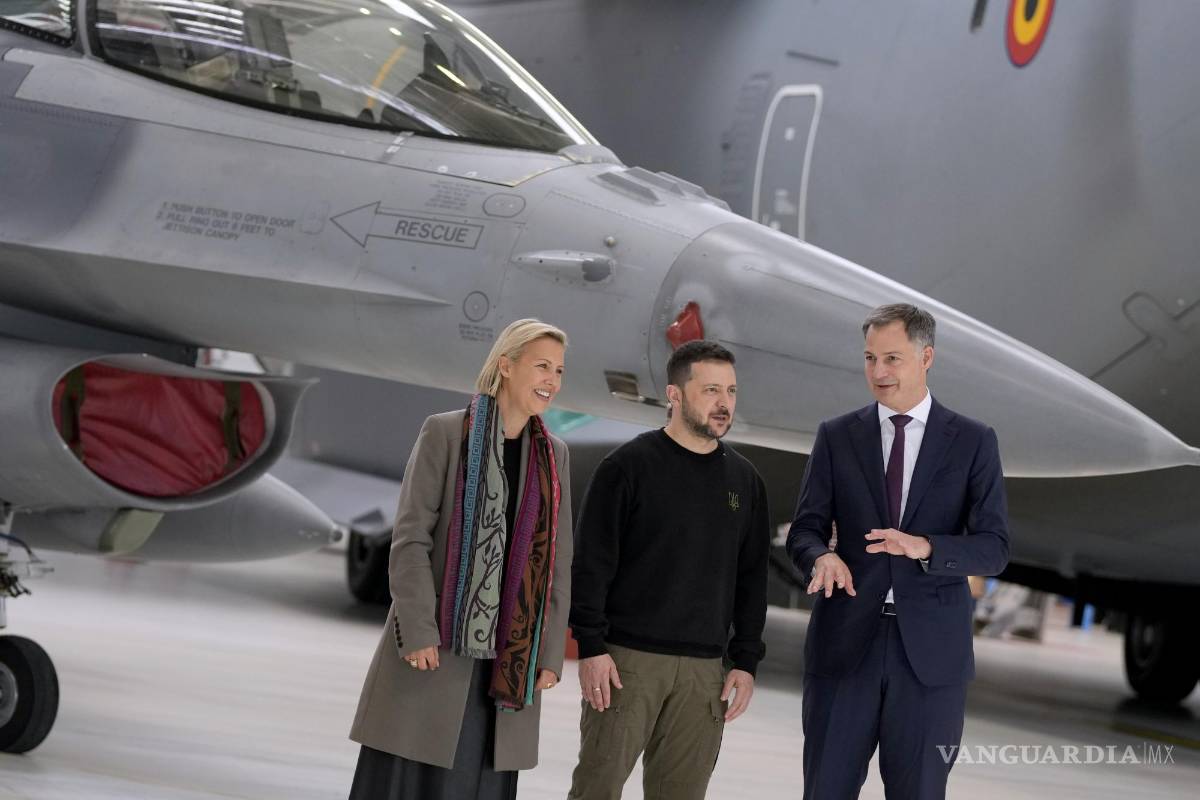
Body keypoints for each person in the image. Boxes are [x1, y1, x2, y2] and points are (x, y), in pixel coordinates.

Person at [787, 303, 1010, 799]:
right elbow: (804, 530)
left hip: (931, 659)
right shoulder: (836, 436)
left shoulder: (973, 441)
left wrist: (926, 547)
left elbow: (993, 549)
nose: (879, 372)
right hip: (845, 646)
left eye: (892, 358)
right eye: (870, 358)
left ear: (926, 357)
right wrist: (820, 556)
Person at [348, 318, 573, 800]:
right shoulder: (446, 433)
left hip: (509, 662)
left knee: (479, 781)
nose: (552, 380)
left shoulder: (554, 457)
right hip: (437, 647)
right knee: (409, 780)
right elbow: (411, 539)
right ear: (506, 366)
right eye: (541, 366)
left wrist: (549, 653)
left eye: (558, 370)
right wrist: (417, 629)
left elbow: (557, 564)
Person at [567, 340, 770, 800]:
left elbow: (751, 579)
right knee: (597, 789)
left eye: (731, 391)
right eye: (711, 390)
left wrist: (745, 661)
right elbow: (592, 565)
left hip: (704, 674)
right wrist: (591, 647)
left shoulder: (745, 481)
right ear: (674, 395)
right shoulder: (626, 467)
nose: (724, 403)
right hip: (627, 664)